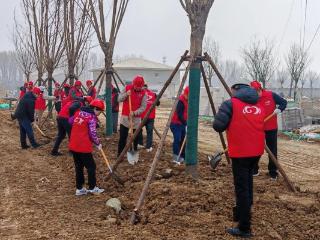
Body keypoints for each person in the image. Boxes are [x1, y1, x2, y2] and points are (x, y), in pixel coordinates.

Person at [213, 83, 265, 238]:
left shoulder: (230, 104)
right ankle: (244, 211)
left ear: (235, 91)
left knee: (241, 189)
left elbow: (218, 126)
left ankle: (244, 228)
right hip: (256, 151)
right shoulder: (258, 106)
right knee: (248, 183)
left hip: (241, 152)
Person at [250, 80, 287, 179]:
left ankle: (273, 172)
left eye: (256, 92)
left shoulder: (271, 95)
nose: (255, 95)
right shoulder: (252, 99)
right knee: (255, 149)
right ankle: (254, 170)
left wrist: (279, 109)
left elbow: (284, 102)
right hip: (258, 128)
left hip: (271, 128)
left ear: (259, 89)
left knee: (272, 150)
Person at [68, 98, 105, 196]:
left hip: (74, 144)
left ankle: (79, 189)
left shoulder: (79, 112)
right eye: (100, 112)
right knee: (91, 166)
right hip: (83, 146)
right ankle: (92, 188)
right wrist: (98, 143)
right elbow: (92, 133)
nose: (99, 114)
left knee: (79, 166)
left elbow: (70, 122)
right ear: (96, 109)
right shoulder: (91, 117)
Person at [117, 75, 147, 156]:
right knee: (123, 137)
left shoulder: (144, 93)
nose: (137, 88)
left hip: (136, 119)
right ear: (133, 84)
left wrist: (134, 113)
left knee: (135, 138)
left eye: (139, 87)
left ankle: (134, 152)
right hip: (125, 117)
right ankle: (120, 154)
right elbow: (119, 99)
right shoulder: (127, 88)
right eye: (136, 86)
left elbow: (143, 107)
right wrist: (126, 94)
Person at [170, 86, 189, 164]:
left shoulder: (188, 100)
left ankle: (183, 157)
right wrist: (186, 123)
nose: (188, 97)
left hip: (182, 124)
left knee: (183, 140)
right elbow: (179, 114)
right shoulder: (180, 101)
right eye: (188, 95)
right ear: (185, 93)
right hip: (175, 124)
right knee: (177, 139)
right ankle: (176, 157)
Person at [140, 83, 160, 152]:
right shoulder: (153, 94)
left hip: (142, 116)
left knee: (139, 130)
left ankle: (140, 143)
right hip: (150, 117)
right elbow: (158, 103)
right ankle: (148, 147)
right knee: (149, 132)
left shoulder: (140, 94)